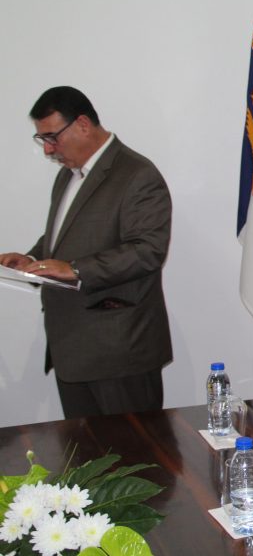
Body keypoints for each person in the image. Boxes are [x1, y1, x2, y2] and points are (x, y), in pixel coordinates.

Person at [0, 86, 172, 419]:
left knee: (133, 462)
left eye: (52, 137)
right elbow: (64, 238)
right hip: (72, 350)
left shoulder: (137, 174)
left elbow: (148, 250)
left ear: (82, 124)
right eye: (43, 140)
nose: (49, 149)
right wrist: (32, 260)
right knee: (86, 464)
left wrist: (77, 269)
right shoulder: (67, 176)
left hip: (119, 353)